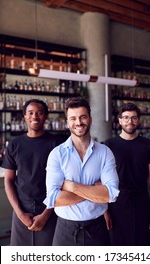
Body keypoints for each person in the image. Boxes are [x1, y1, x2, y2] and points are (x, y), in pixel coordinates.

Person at [44, 96, 119, 246]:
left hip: (97, 229)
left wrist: (72, 187)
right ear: (67, 122)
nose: (78, 122)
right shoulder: (57, 154)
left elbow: (111, 194)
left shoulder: (105, 153)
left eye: (83, 117)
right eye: (73, 118)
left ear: (90, 119)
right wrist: (95, 191)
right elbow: (54, 199)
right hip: (65, 231)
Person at [1, 99, 64, 246]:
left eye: (39, 113)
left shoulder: (57, 144)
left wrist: (46, 214)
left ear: (46, 116)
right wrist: (19, 212)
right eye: (30, 113)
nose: (35, 117)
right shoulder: (15, 144)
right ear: (24, 116)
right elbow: (8, 180)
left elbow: (63, 183)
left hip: (50, 210)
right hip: (21, 209)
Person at [105, 102, 150, 246]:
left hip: (142, 202)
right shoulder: (108, 145)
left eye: (134, 118)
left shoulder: (148, 145)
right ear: (120, 120)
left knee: (142, 245)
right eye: (126, 117)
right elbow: (102, 181)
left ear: (139, 120)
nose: (130, 121)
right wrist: (104, 212)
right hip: (116, 204)